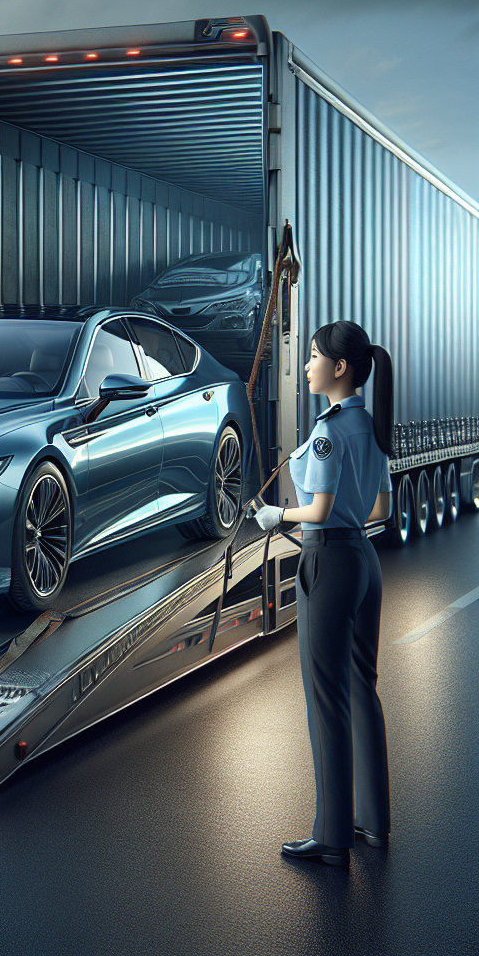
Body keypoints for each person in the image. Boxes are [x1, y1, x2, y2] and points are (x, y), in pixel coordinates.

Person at [252, 320, 394, 867]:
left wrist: (274, 516)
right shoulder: (370, 427)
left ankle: (332, 834)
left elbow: (317, 509)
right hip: (364, 559)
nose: (307, 365)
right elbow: (380, 510)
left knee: (325, 700)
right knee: (362, 691)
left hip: (328, 562)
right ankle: (374, 824)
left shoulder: (330, 432)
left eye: (313, 357)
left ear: (340, 368)